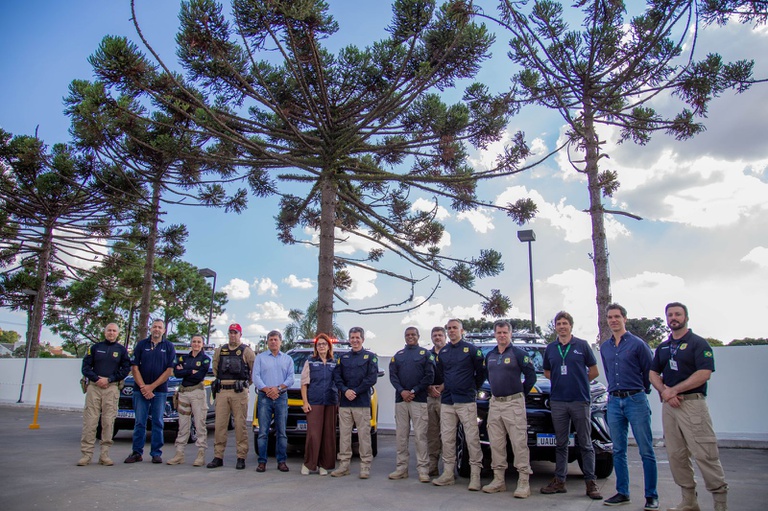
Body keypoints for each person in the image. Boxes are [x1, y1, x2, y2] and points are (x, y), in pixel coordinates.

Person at [649, 302, 729, 511]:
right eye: (670, 315)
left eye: (678, 314)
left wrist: (674, 390)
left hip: (693, 404)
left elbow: (704, 373)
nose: (673, 318)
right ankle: (689, 501)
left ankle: (720, 503)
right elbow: (653, 373)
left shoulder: (698, 343)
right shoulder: (664, 347)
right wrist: (665, 392)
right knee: (676, 455)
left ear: (686, 317)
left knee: (705, 453)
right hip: (670, 407)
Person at [600, 303, 659, 510]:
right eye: (610, 317)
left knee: (646, 449)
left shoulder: (638, 344)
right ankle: (622, 492)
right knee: (618, 450)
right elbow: (608, 372)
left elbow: (649, 372)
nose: (613, 320)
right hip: (614, 402)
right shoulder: (605, 347)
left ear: (625, 318)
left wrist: (639, 392)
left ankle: (651, 495)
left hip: (636, 400)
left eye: (617, 316)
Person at [540, 311, 602, 500]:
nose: (562, 326)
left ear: (571, 326)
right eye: (559, 323)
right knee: (561, 443)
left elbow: (594, 371)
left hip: (579, 400)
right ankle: (560, 481)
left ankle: (591, 483)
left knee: (585, 443)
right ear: (555, 327)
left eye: (565, 323)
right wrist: (561, 381)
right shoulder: (551, 348)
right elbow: (547, 372)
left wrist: (579, 381)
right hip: (558, 401)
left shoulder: (582, 345)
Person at [481, 320, 536, 498]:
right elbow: (488, 376)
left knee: (519, 443)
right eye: (499, 332)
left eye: (505, 332)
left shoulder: (519, 354)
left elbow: (531, 377)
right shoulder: (490, 355)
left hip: (514, 404)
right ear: (495, 334)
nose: (502, 335)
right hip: (495, 404)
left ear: (510, 334)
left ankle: (523, 482)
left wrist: (519, 393)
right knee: (496, 443)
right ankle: (499, 480)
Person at [431, 319, 486, 491]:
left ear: (462, 331)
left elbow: (481, 372)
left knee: (472, 438)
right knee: (447, 438)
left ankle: (475, 475)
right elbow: (442, 373)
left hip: (466, 400)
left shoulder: (471, 350)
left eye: (455, 328)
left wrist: (472, 388)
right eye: (449, 328)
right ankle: (448, 473)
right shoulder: (444, 352)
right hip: (447, 401)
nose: (452, 331)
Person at [78, 323, 131, 466]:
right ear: (104, 332)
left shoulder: (121, 350)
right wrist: (97, 379)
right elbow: (85, 367)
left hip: (111, 388)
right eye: (109, 330)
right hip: (94, 387)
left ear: (117, 333)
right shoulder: (95, 348)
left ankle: (104, 455)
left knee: (108, 422)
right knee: (90, 422)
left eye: (114, 331)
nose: (111, 333)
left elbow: (125, 369)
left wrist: (110, 379)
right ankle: (86, 455)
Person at [124, 319, 176, 464]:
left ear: (164, 330)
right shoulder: (141, 345)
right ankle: (137, 453)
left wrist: (151, 387)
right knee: (140, 422)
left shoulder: (169, 346)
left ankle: (156, 453)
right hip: (140, 391)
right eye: (154, 327)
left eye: (160, 327)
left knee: (157, 422)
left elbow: (169, 370)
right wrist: (143, 387)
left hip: (159, 391)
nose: (157, 329)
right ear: (150, 329)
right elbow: (134, 368)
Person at [388, 326, 435, 483]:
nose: (410, 337)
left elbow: (429, 376)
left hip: (418, 400)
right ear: (404, 337)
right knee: (401, 436)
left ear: (418, 336)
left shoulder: (425, 354)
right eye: (407, 335)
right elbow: (393, 376)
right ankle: (401, 469)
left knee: (420, 436)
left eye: (413, 334)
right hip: (401, 401)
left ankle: (423, 470)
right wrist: (402, 391)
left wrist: (414, 390)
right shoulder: (398, 355)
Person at [331, 326, 378, 479]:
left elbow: (371, 378)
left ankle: (365, 467)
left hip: (362, 403)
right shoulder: (343, 358)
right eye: (352, 338)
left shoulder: (370, 357)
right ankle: (344, 466)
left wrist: (356, 391)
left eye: (357, 337)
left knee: (364, 436)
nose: (355, 340)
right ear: (349, 340)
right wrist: (345, 390)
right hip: (345, 403)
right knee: (344, 436)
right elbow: (337, 377)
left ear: (362, 339)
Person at [207, 323, 256, 470]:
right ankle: (218, 456)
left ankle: (241, 457)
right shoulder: (220, 350)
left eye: (235, 333)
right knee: (220, 426)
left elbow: (254, 371)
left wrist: (245, 384)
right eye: (231, 332)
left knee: (240, 426)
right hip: (223, 391)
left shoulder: (246, 351)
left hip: (239, 392)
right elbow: (215, 369)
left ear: (240, 334)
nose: (233, 335)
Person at [166, 334, 211, 467]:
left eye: (198, 342)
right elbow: (176, 373)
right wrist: (190, 371)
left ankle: (201, 454)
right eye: (194, 341)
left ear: (202, 344)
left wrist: (185, 371)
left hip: (197, 393)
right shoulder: (183, 358)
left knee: (199, 423)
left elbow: (199, 376)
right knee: (183, 425)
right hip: (184, 393)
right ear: (191, 343)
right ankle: (179, 454)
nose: (196, 344)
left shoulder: (205, 359)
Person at [253, 330, 294, 473]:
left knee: (281, 432)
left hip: (281, 397)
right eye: (270, 339)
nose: (273, 342)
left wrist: (278, 389)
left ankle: (281, 461)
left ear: (280, 342)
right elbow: (256, 376)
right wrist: (267, 390)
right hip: (265, 397)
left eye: (276, 339)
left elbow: (290, 378)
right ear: (267, 342)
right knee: (263, 432)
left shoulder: (288, 359)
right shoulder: (260, 358)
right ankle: (262, 462)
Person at [300, 333, 338, 476]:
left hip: (330, 402)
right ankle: (308, 464)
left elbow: (339, 381)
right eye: (319, 344)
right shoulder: (310, 361)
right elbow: (304, 383)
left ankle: (324, 465)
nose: (321, 346)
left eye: (324, 344)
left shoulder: (335, 362)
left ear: (329, 346)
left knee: (328, 435)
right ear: (316, 347)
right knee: (314, 435)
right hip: (314, 402)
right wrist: (305, 402)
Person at [426, 326, 447, 476]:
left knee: (447, 434)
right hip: (430, 397)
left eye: (440, 335)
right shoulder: (427, 355)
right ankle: (432, 465)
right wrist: (429, 388)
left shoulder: (451, 353)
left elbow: (454, 373)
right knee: (431, 433)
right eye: (435, 335)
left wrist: (442, 387)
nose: (437, 337)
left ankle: (448, 468)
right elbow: (421, 374)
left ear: (445, 337)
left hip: (447, 398)